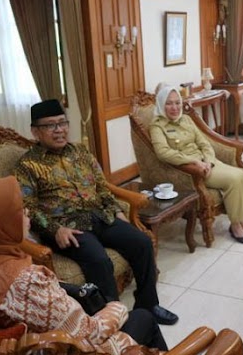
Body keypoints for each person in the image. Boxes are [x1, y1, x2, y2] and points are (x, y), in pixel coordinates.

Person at [0, 176, 168, 355]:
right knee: (142, 318)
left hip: (34, 352)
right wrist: (116, 307)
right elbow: (91, 332)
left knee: (139, 242)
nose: (26, 215)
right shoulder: (25, 283)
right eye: (16, 210)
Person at [14, 99, 178, 325]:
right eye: (50, 125)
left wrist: (117, 212)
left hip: (100, 216)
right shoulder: (27, 165)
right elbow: (28, 206)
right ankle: (113, 319)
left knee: (142, 242)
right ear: (35, 131)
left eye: (62, 123)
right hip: (67, 228)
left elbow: (102, 187)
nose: (59, 130)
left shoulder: (81, 152)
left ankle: (148, 304)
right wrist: (54, 229)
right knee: (100, 261)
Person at [149, 85, 243, 245]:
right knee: (235, 179)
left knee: (241, 174)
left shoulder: (186, 119)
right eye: (169, 103)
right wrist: (195, 162)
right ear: (161, 104)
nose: (174, 107)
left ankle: (242, 221)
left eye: (177, 103)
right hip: (192, 169)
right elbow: (163, 152)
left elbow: (204, 143)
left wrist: (208, 160)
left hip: (207, 163)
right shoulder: (157, 125)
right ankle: (236, 226)